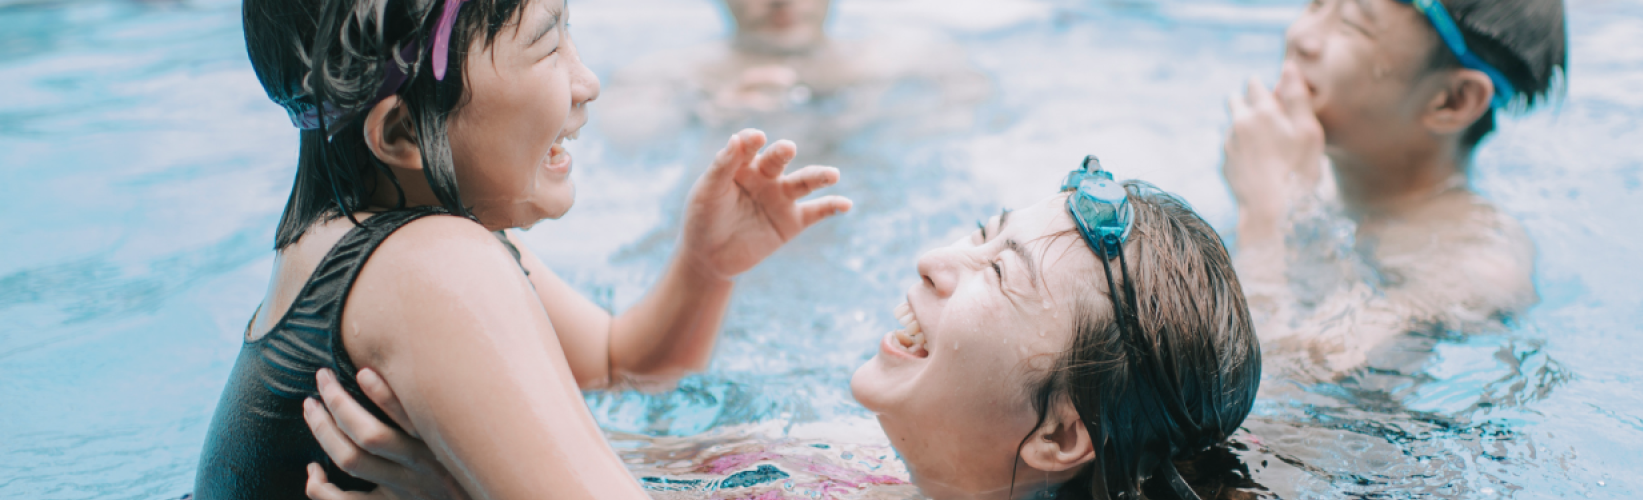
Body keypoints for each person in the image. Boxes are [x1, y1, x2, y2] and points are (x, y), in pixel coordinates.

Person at [301, 160, 1266, 500]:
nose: (936, 259)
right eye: (981, 234)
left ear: (1060, 434)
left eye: (997, 273)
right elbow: (606, 455)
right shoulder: (856, 460)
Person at [193, 0, 851, 497]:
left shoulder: (357, 238)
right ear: (401, 132)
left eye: (571, 31)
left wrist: (704, 269)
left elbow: (623, 364)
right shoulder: (432, 267)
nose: (587, 81)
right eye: (546, 49)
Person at [1221, 0, 1565, 378]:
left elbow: (1273, 389)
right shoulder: (1301, 171)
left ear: (1454, 100)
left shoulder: (1472, 270)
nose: (1301, 36)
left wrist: (1263, 221)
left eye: (1352, 25)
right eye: (1317, 3)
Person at [594, 0, 989, 158]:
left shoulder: (905, 56)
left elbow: (978, 118)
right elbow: (624, 142)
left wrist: (887, 117)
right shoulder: (671, 76)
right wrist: (706, 114)